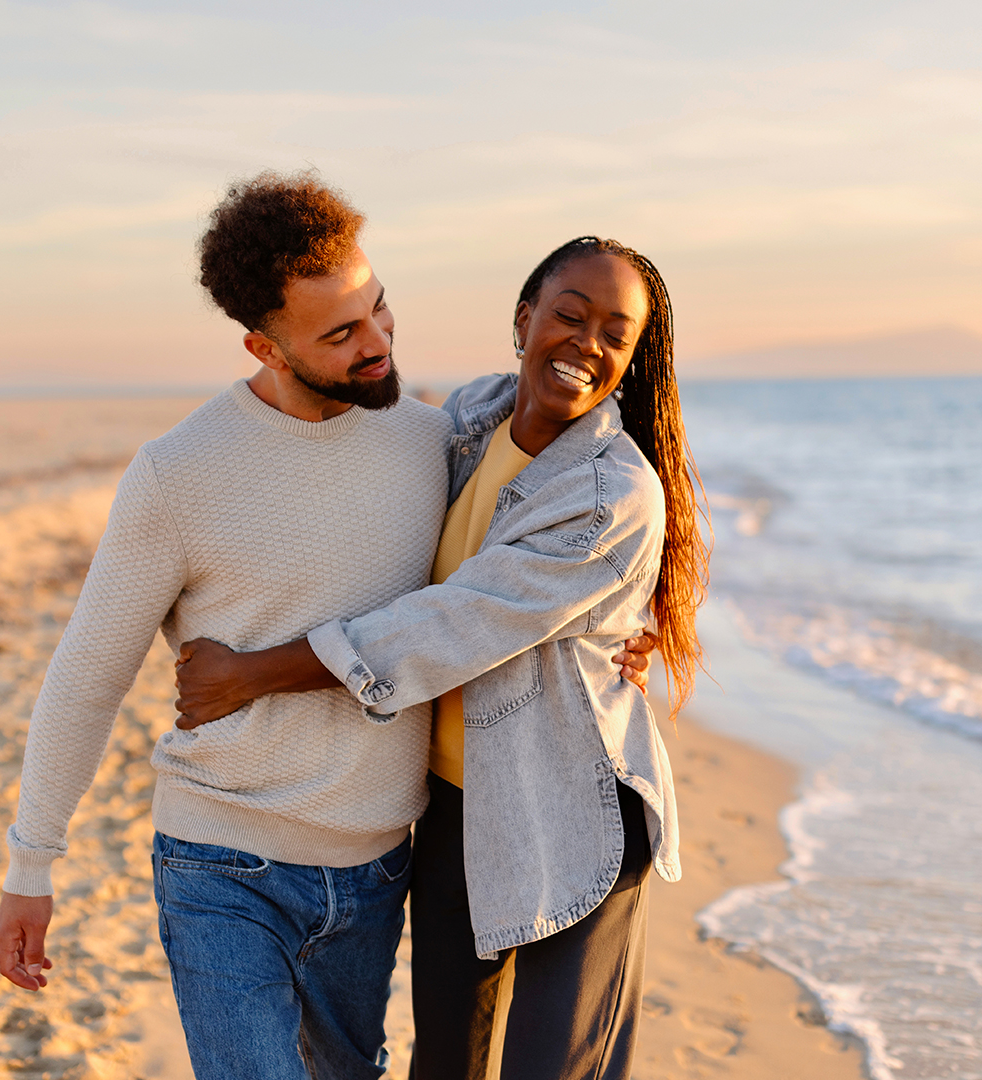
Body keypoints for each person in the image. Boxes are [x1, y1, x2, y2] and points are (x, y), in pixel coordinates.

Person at [0, 174, 655, 1080]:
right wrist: (31, 863)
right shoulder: (177, 474)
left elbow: (503, 574)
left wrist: (629, 625)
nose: (378, 345)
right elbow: (86, 676)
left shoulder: (433, 441)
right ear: (264, 345)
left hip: (380, 868)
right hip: (220, 860)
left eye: (380, 311)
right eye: (342, 335)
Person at [173, 236, 707, 1080]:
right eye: (570, 316)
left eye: (617, 334)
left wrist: (252, 672)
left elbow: (450, 624)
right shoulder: (467, 421)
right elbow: (358, 474)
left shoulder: (612, 494)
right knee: (443, 1066)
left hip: (573, 807)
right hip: (458, 807)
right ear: (525, 320)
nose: (587, 345)